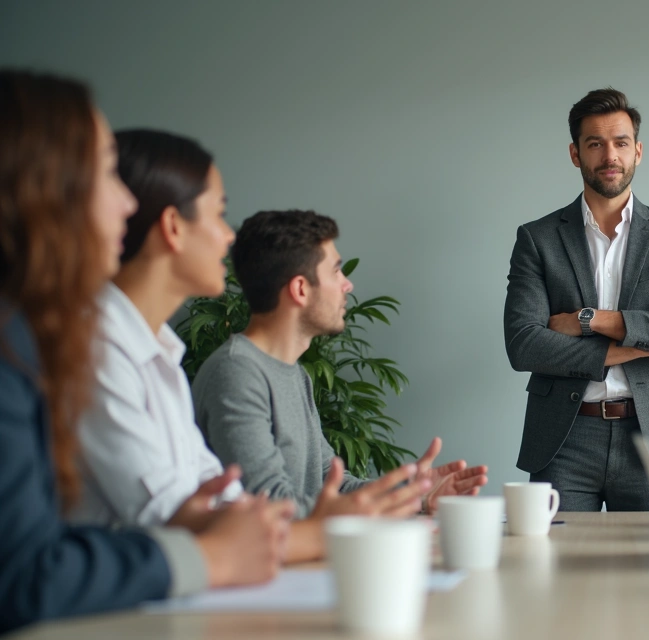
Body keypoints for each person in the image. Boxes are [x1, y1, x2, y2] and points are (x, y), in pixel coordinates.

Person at [0, 70, 290, 633]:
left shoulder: (34, 338)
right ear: (41, 184)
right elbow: (22, 576)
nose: (125, 202)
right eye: (105, 170)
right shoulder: (35, 345)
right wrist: (210, 555)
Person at [70, 129, 437, 562]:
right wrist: (341, 525)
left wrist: (414, 495)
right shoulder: (109, 351)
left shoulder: (163, 353)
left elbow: (222, 494)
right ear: (173, 226)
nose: (229, 237)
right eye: (219, 214)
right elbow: (174, 515)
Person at [193, 208, 488, 518]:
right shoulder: (236, 373)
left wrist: (412, 494)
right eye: (336, 271)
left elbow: (327, 483)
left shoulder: (295, 374)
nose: (348, 285)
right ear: (300, 289)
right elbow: (268, 506)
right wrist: (383, 505)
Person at [503, 88, 649, 511]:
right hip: (565, 438)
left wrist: (590, 320)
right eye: (594, 143)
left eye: (620, 143)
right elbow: (523, 344)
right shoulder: (538, 238)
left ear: (637, 150)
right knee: (553, 570)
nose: (609, 155)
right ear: (575, 153)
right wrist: (634, 348)